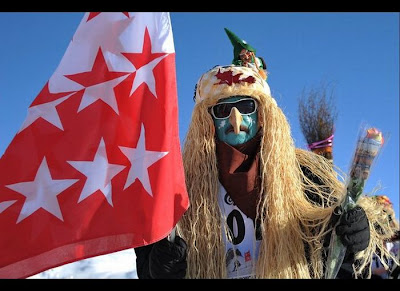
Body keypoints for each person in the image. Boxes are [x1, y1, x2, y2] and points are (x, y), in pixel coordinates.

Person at [134, 31, 385, 279]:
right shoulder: (181, 187)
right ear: (206, 120)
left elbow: (334, 261)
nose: (236, 120)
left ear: (262, 115)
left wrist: (354, 242)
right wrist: (158, 270)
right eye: (222, 110)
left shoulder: (305, 176)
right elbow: (147, 262)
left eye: (246, 106)